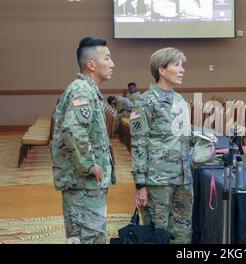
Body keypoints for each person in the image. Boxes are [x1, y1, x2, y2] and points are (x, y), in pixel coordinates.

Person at [130, 47, 215, 244]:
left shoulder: (179, 100)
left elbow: (181, 135)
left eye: (182, 65)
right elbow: (138, 144)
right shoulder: (145, 102)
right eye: (177, 65)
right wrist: (140, 185)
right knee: (158, 234)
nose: (182, 69)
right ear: (161, 69)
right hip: (157, 181)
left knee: (183, 233)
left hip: (183, 178)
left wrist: (202, 139)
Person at [51, 37, 116, 244]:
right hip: (83, 185)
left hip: (85, 185)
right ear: (91, 64)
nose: (112, 63)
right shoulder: (82, 90)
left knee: (85, 237)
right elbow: (74, 132)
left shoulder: (87, 89)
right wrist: (90, 165)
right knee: (89, 237)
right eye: (107, 58)